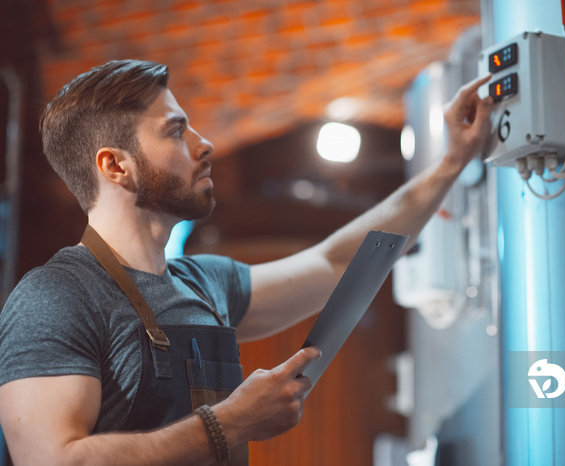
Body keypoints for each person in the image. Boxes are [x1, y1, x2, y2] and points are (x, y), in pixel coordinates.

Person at [0, 59, 493, 465]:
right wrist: (229, 422)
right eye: (175, 132)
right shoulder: (56, 297)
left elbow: (341, 260)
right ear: (114, 165)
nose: (204, 143)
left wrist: (452, 162)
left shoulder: (204, 284)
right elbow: (52, 460)